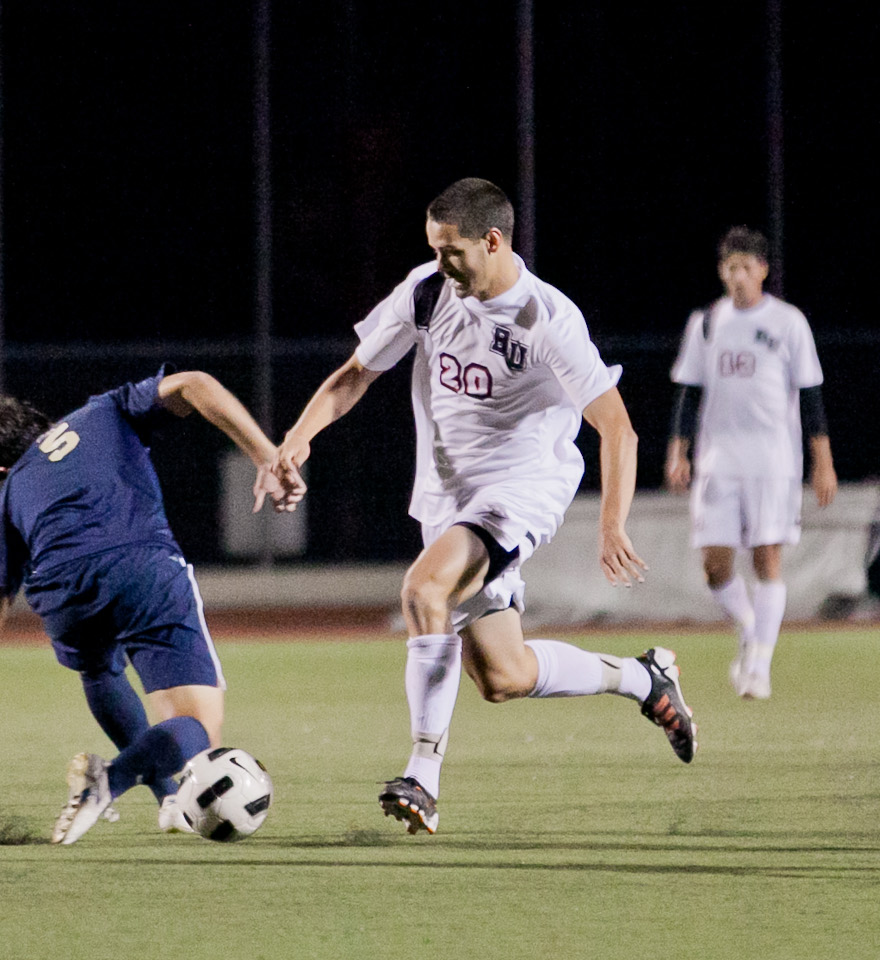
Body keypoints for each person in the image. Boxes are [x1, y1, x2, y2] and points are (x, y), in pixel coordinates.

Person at [271, 178, 697, 836]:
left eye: (452, 252)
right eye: (433, 249)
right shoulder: (426, 291)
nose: (441, 263)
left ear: (492, 241)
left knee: (424, 590)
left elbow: (617, 427)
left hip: (522, 488)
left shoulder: (545, 318)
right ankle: (644, 680)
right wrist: (294, 442)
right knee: (505, 675)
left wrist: (611, 522)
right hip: (448, 501)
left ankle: (423, 775)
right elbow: (355, 374)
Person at [0, 366, 294, 845]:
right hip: (140, 564)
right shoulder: (105, 410)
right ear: (40, 424)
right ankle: (110, 781)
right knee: (198, 729)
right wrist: (264, 454)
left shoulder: (12, 494)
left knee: (99, 670)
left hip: (64, 596)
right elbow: (193, 383)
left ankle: (169, 800)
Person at [665, 226, 835, 700]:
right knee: (714, 566)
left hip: (772, 461)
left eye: (746, 267)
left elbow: (811, 394)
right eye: (729, 268)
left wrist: (823, 463)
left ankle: (760, 663)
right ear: (721, 271)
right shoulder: (706, 322)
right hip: (718, 459)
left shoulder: (788, 322)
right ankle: (749, 628)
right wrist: (678, 451)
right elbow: (688, 389)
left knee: (767, 558)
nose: (737, 276)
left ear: (762, 270)